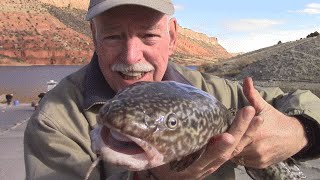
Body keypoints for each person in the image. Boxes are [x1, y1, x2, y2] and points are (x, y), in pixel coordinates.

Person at [24, 0, 320, 179]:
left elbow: (303, 104)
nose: (131, 57)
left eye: (149, 35)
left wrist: (299, 130)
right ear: (94, 36)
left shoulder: (216, 93)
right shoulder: (56, 120)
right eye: (113, 36)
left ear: (173, 36)